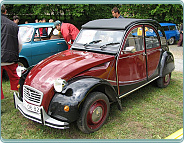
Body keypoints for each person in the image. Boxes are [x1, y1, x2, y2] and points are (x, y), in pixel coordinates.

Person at [1, 5, 22, 100]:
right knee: (16, 78)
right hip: (10, 57)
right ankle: (21, 96)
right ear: (5, 12)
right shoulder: (14, 25)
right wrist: (15, 53)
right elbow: (20, 44)